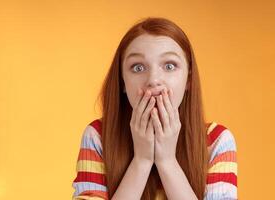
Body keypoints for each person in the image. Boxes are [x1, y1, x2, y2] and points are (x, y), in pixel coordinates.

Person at [72, 17, 238, 200]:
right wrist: (141, 161)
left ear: (188, 79)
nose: (153, 80)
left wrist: (166, 161)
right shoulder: (97, 137)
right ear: (122, 82)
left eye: (169, 66)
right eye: (138, 67)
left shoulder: (217, 141)